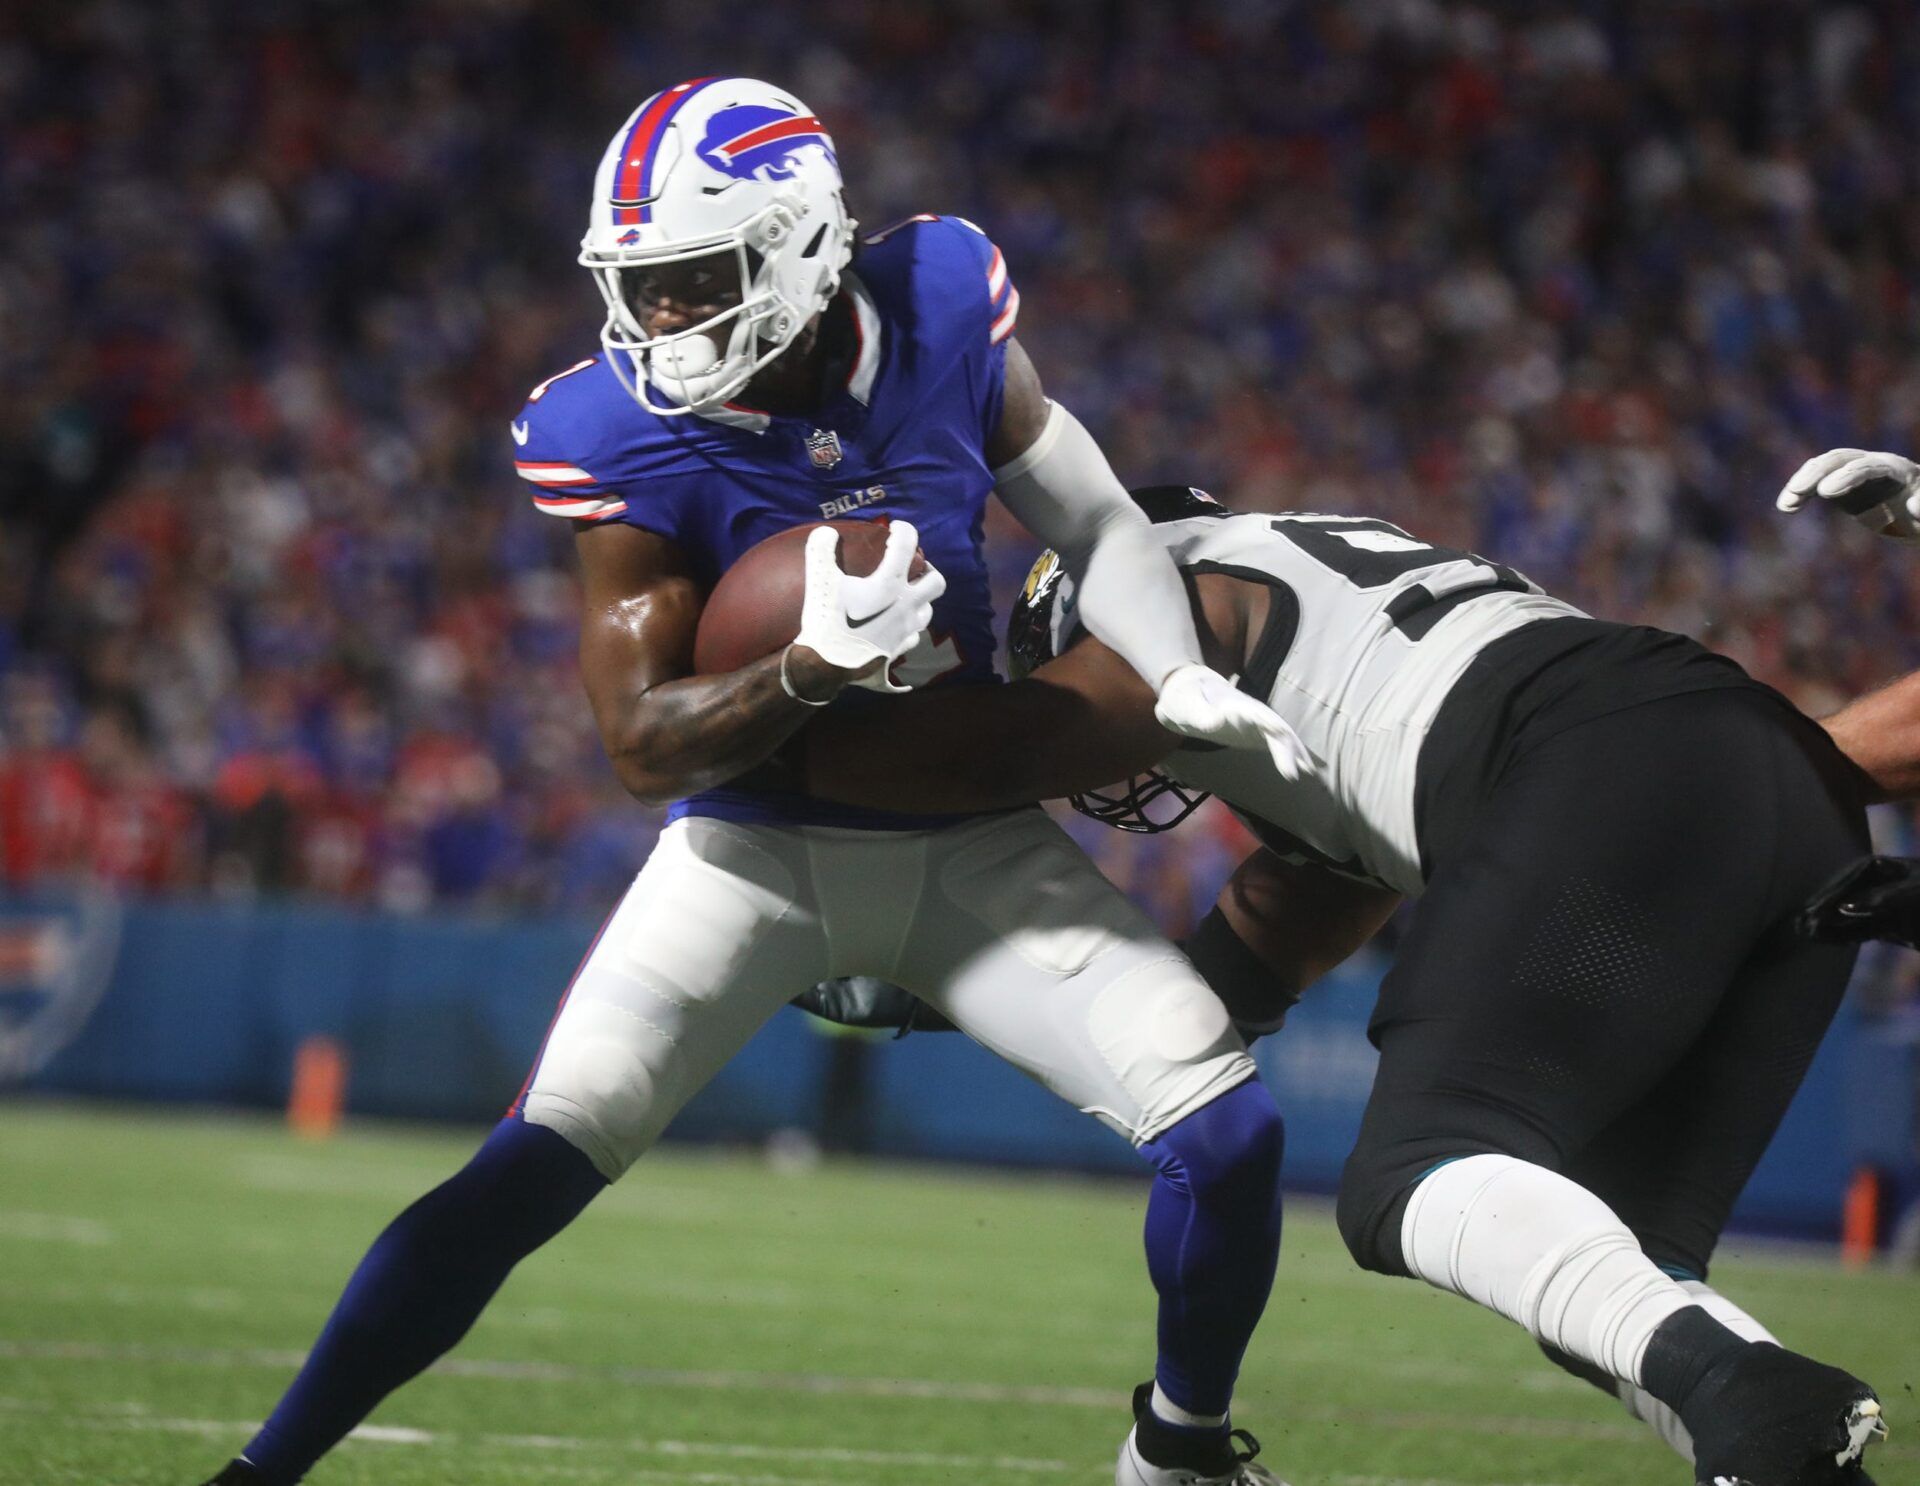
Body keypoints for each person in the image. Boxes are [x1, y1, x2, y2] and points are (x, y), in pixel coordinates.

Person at [196, 78, 1316, 1486]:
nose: (656, 323)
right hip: (752, 853)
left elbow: (1091, 514)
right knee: (530, 1165)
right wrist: (805, 671)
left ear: (800, 244)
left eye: (688, 284)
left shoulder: (941, 299)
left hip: (969, 845)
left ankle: (1184, 1455)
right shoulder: (610, 427)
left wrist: (1177, 673)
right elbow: (637, 743)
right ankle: (254, 1476)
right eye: (641, 290)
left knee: (1232, 1132)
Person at [794, 484, 1890, 1486]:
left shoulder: (1173, 580)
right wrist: (943, 989)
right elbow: (1210, 995)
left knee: (1412, 1174)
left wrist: (821, 758)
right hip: (1784, 787)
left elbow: (1027, 741)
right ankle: (1797, 1452)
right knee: (1614, 1280)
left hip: (1595, 757)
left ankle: (1753, 1391)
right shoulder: (1329, 687)